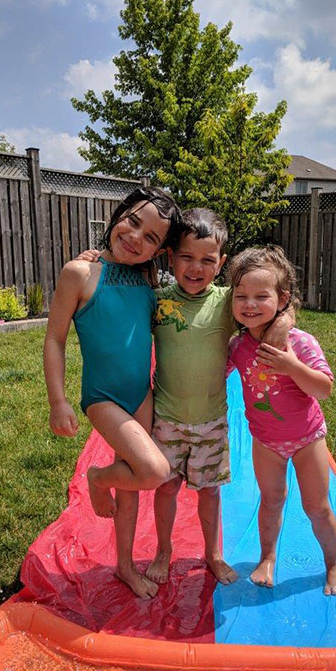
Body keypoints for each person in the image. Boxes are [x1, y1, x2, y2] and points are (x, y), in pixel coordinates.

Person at [43, 187, 181, 599]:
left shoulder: (146, 277)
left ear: (159, 252)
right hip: (103, 397)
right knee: (154, 471)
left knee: (135, 479)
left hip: (142, 393)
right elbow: (55, 339)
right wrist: (58, 400)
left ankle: (124, 566)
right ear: (118, 214)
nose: (137, 237)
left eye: (152, 238)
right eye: (133, 222)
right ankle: (97, 478)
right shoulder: (79, 273)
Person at [144, 210, 293, 586]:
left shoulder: (229, 302)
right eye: (187, 257)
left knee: (209, 492)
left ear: (221, 263)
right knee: (166, 487)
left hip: (211, 420)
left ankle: (212, 554)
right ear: (170, 257)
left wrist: (285, 324)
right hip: (166, 418)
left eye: (207, 260)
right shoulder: (157, 301)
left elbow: (279, 304)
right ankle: (164, 550)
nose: (196, 267)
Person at [226, 246, 336, 596]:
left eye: (260, 296)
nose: (249, 304)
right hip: (266, 441)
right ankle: (267, 557)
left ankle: (333, 562)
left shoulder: (299, 342)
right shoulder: (238, 345)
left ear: (282, 299)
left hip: (307, 438)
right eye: (241, 296)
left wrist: (292, 366)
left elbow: (324, 389)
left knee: (317, 507)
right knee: (272, 499)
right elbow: (220, 372)